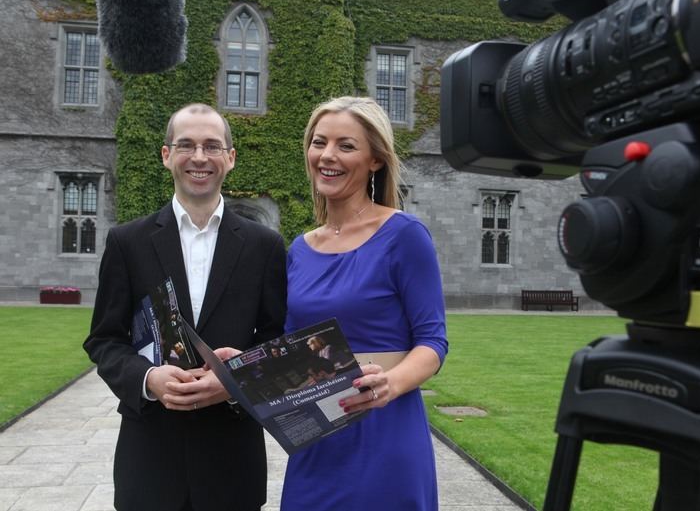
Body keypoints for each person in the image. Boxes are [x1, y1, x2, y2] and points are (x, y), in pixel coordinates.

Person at [83, 103, 287, 511]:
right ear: (166, 155)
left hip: (232, 458)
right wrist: (148, 379)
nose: (199, 157)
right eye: (186, 145)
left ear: (230, 158)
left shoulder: (264, 246)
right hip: (151, 457)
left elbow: (276, 341)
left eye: (212, 146)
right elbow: (105, 340)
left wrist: (233, 382)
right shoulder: (128, 243)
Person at [281, 96, 449, 510]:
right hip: (316, 442)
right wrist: (239, 365)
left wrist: (390, 385)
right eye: (319, 142)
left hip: (384, 432)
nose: (327, 156)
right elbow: (289, 348)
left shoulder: (405, 235)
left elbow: (433, 341)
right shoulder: (298, 250)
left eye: (346, 145)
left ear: (375, 159)